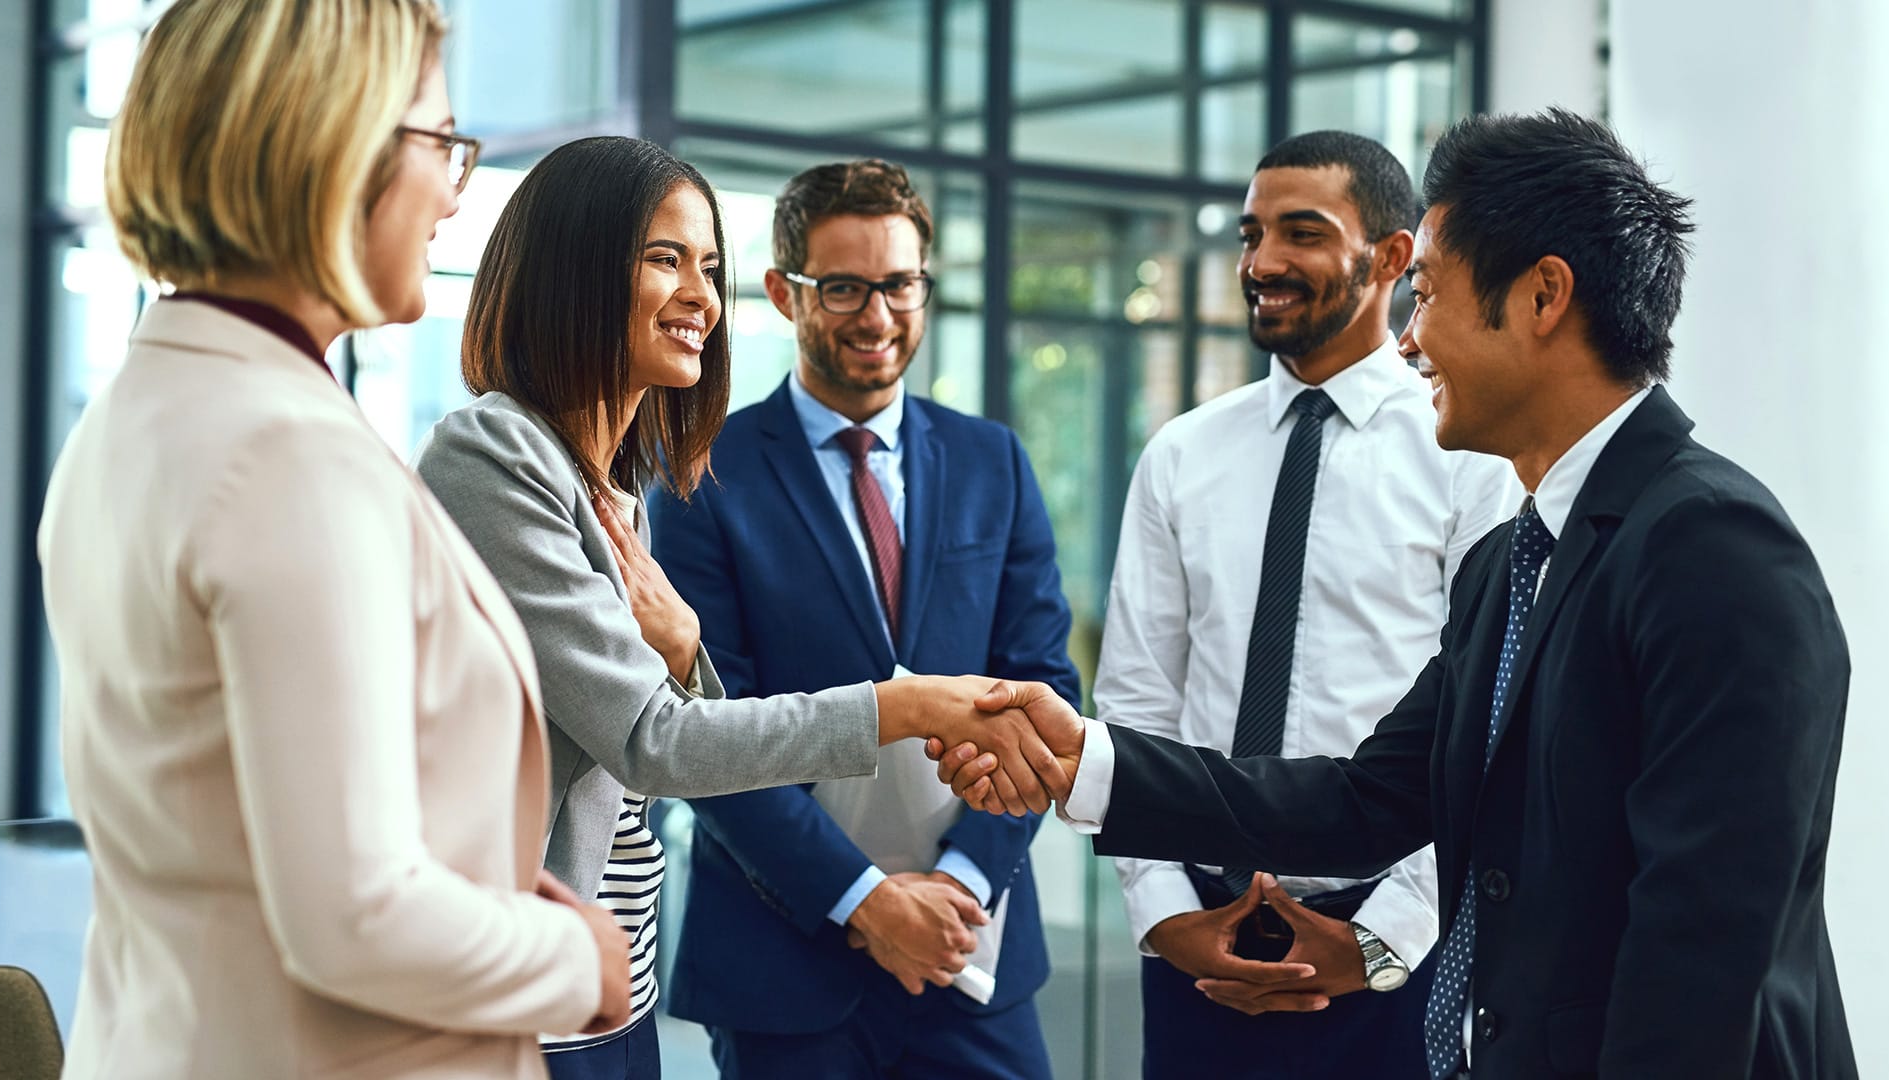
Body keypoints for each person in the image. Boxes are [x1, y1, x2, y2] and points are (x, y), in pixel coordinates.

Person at [937, 108, 1856, 1078]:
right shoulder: (1516, 561)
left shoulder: (1712, 544)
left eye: (1429, 297)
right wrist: (1079, 758)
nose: (1411, 343)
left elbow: (1702, 951)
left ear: (1543, 295)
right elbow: (1362, 800)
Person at [34, 2, 639, 1076]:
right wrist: (573, 957)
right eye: (442, 144)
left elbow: (230, 825)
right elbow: (352, 917)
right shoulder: (285, 456)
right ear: (332, 143)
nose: (457, 194)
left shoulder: (142, 411)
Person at [414, 140, 1057, 1080]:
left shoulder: (613, 487)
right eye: (665, 258)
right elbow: (661, 743)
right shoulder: (495, 456)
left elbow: (671, 727)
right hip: (536, 989)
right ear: (575, 265)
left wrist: (682, 648)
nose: (702, 299)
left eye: (707, 267)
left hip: (609, 984)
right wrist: (908, 707)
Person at [646, 159, 1081, 1080]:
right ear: (783, 291)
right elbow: (709, 728)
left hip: (976, 953)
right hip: (785, 963)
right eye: (843, 288)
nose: (877, 317)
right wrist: (867, 902)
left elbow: (1047, 689)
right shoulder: (700, 474)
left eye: (900, 285)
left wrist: (960, 887)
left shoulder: (991, 459)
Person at [1096, 131, 1516, 1079]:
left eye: (1302, 233)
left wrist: (1377, 943)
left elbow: (1479, 730)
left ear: (1392, 257)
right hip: (1197, 942)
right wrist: (1166, 917)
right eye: (1251, 235)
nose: (1263, 263)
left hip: (1386, 957)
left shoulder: (1469, 457)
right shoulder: (1181, 454)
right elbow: (1136, 702)